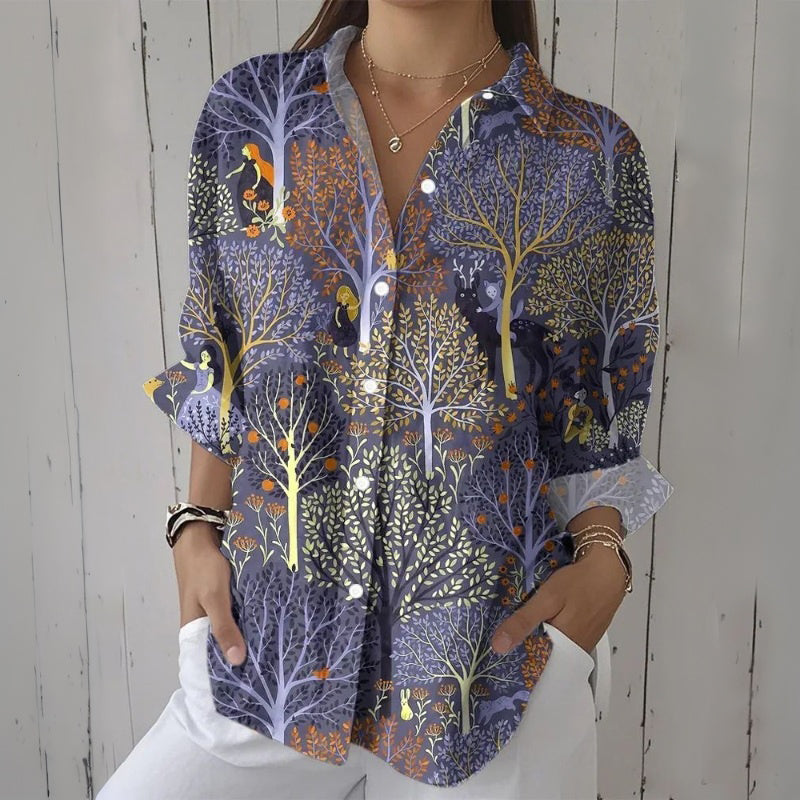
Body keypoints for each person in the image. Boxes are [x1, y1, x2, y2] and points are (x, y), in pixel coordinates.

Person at [99, 1, 674, 797]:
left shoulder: (589, 154)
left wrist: (604, 560)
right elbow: (223, 351)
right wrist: (196, 527)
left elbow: (593, 413)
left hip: (489, 681)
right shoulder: (254, 112)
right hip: (271, 656)